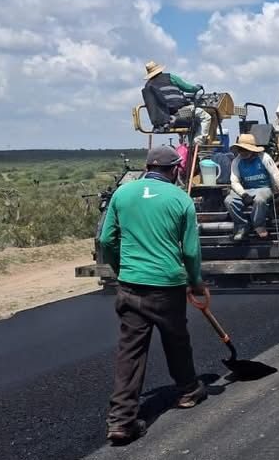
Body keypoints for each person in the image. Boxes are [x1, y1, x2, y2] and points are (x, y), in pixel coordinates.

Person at [99, 145, 207, 443]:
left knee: (130, 350)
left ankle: (121, 421)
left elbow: (106, 239)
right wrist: (196, 280)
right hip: (167, 286)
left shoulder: (122, 195)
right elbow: (189, 250)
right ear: (174, 170)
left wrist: (121, 267)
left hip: (131, 284)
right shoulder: (180, 199)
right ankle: (188, 390)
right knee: (176, 340)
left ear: (148, 166)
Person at [224, 133, 279, 242]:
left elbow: (276, 175)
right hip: (247, 190)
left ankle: (258, 225)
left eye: (245, 150)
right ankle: (242, 225)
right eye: (240, 150)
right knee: (229, 200)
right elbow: (234, 181)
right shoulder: (237, 161)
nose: (242, 153)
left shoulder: (264, 157)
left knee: (259, 200)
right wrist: (243, 194)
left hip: (264, 188)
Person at [143, 61, 212, 144]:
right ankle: (197, 144)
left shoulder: (148, 85)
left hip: (163, 118)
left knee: (195, 121)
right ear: (160, 70)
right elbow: (189, 88)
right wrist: (197, 87)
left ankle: (188, 145)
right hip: (180, 113)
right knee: (205, 116)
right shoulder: (170, 77)